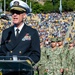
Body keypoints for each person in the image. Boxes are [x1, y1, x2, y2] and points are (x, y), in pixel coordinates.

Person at [0, 0, 40, 75]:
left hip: (24, 71)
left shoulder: (32, 32)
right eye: (13, 13)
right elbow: (2, 52)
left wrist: (27, 62)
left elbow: (36, 54)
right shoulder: (6, 32)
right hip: (9, 72)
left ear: (24, 15)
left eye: (18, 13)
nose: (15, 15)